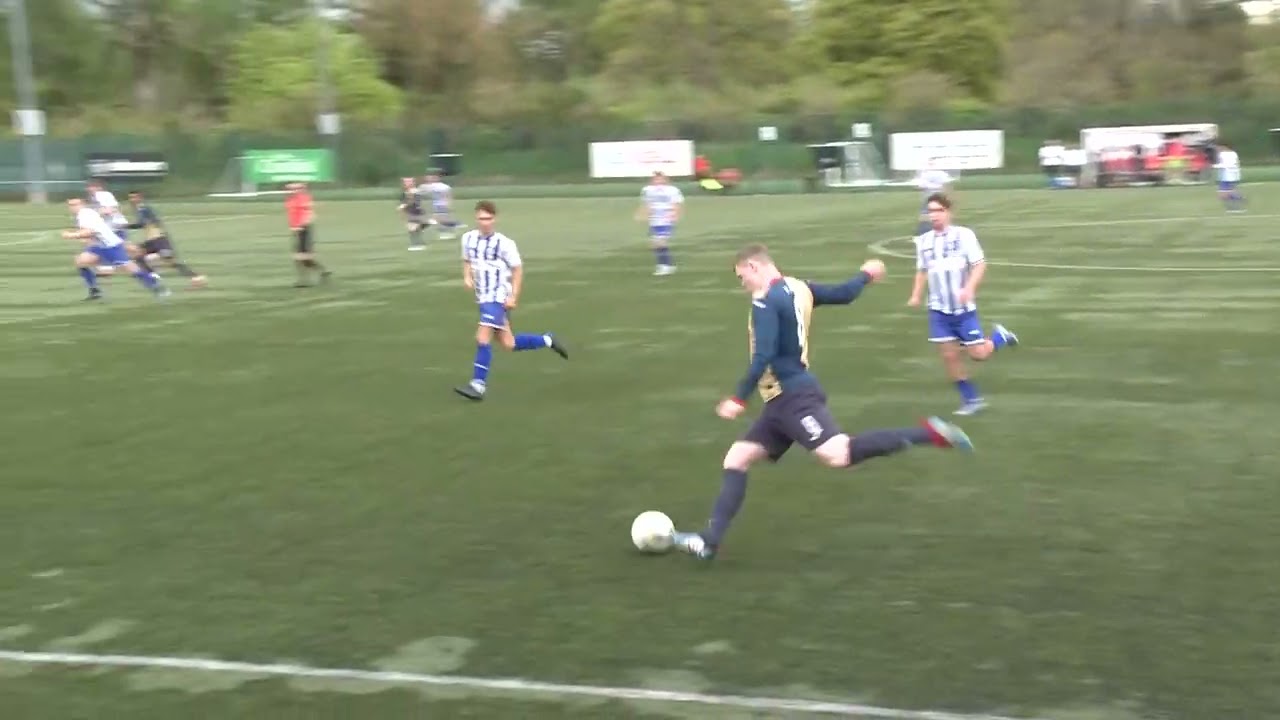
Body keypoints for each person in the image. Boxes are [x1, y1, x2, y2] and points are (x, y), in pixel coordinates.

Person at [671, 244, 974, 561]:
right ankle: (709, 541)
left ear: (753, 266)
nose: (742, 284)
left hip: (793, 399)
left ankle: (930, 434)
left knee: (839, 454)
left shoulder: (765, 303)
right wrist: (866, 275)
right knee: (737, 458)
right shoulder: (799, 287)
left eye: (741, 276)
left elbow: (764, 356)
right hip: (780, 402)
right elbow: (843, 293)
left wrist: (737, 398)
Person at [907, 193, 1018, 415]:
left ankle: (999, 337)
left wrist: (969, 288)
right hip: (938, 309)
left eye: (939, 210)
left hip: (964, 310)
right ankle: (971, 399)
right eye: (931, 211)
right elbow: (922, 271)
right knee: (949, 356)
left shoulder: (964, 235)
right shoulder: (924, 241)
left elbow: (979, 265)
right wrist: (916, 295)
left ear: (949, 212)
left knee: (978, 354)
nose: (934, 215)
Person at [454, 201, 568, 401]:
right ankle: (547, 340)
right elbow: (466, 260)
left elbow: (517, 270)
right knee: (508, 343)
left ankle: (478, 385)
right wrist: (467, 276)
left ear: (495, 219)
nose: (485, 223)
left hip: (498, 297)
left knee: (482, 337)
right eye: (481, 218)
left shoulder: (504, 243)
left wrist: (513, 296)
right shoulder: (468, 239)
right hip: (482, 297)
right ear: (476, 219)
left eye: (489, 218)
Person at [63, 198, 166, 301]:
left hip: (110, 245)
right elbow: (96, 224)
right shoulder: (86, 212)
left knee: (129, 268)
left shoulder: (84, 215)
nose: (72, 207)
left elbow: (89, 232)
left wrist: (71, 235)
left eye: (75, 204)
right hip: (99, 246)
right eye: (70, 205)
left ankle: (155, 286)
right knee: (80, 261)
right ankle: (94, 290)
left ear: (82, 204)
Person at [126, 191, 206, 287]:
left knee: (170, 261)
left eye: (134, 197)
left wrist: (124, 226)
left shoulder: (143, 208)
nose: (132, 200)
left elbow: (142, 223)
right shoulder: (140, 208)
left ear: (140, 198)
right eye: (130, 198)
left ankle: (195, 276)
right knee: (137, 256)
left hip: (159, 240)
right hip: (151, 241)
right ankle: (153, 275)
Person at [635, 171, 684, 276]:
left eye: (660, 179)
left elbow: (677, 204)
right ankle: (668, 265)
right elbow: (646, 204)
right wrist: (641, 214)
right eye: (655, 179)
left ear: (665, 180)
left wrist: (675, 215)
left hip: (666, 220)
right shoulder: (648, 190)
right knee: (655, 244)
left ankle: (664, 266)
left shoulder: (672, 190)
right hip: (654, 220)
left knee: (660, 242)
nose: (658, 181)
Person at [286, 182, 330, 287]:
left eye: (296, 189)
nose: (293, 190)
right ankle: (321, 272)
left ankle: (305, 280)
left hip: (304, 229)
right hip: (296, 230)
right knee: (300, 258)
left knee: (302, 258)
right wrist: (293, 227)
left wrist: (302, 225)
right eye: (291, 189)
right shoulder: (291, 200)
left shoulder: (304, 198)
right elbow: (292, 214)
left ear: (301, 189)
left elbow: (309, 214)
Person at [420, 170, 462, 240]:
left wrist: (448, 203)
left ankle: (454, 226)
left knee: (438, 219)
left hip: (441, 205)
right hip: (438, 205)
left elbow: (448, 196)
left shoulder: (439, 186)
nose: (431, 178)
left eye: (432, 177)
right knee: (440, 220)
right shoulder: (442, 186)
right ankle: (454, 226)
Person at [1214, 141, 1245, 213]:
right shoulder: (1233, 153)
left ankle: (1236, 206)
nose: (1217, 149)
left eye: (1218, 147)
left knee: (1224, 194)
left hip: (1228, 176)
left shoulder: (1224, 154)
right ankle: (1237, 202)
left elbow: (1227, 165)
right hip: (1230, 175)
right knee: (1226, 193)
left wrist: (1214, 166)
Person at [398, 177, 428, 251]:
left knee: (413, 229)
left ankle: (416, 244)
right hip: (410, 212)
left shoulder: (415, 192)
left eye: (408, 182)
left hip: (415, 212)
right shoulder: (406, 192)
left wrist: (403, 205)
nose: (406, 184)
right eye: (405, 182)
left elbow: (412, 202)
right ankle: (418, 243)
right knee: (412, 229)